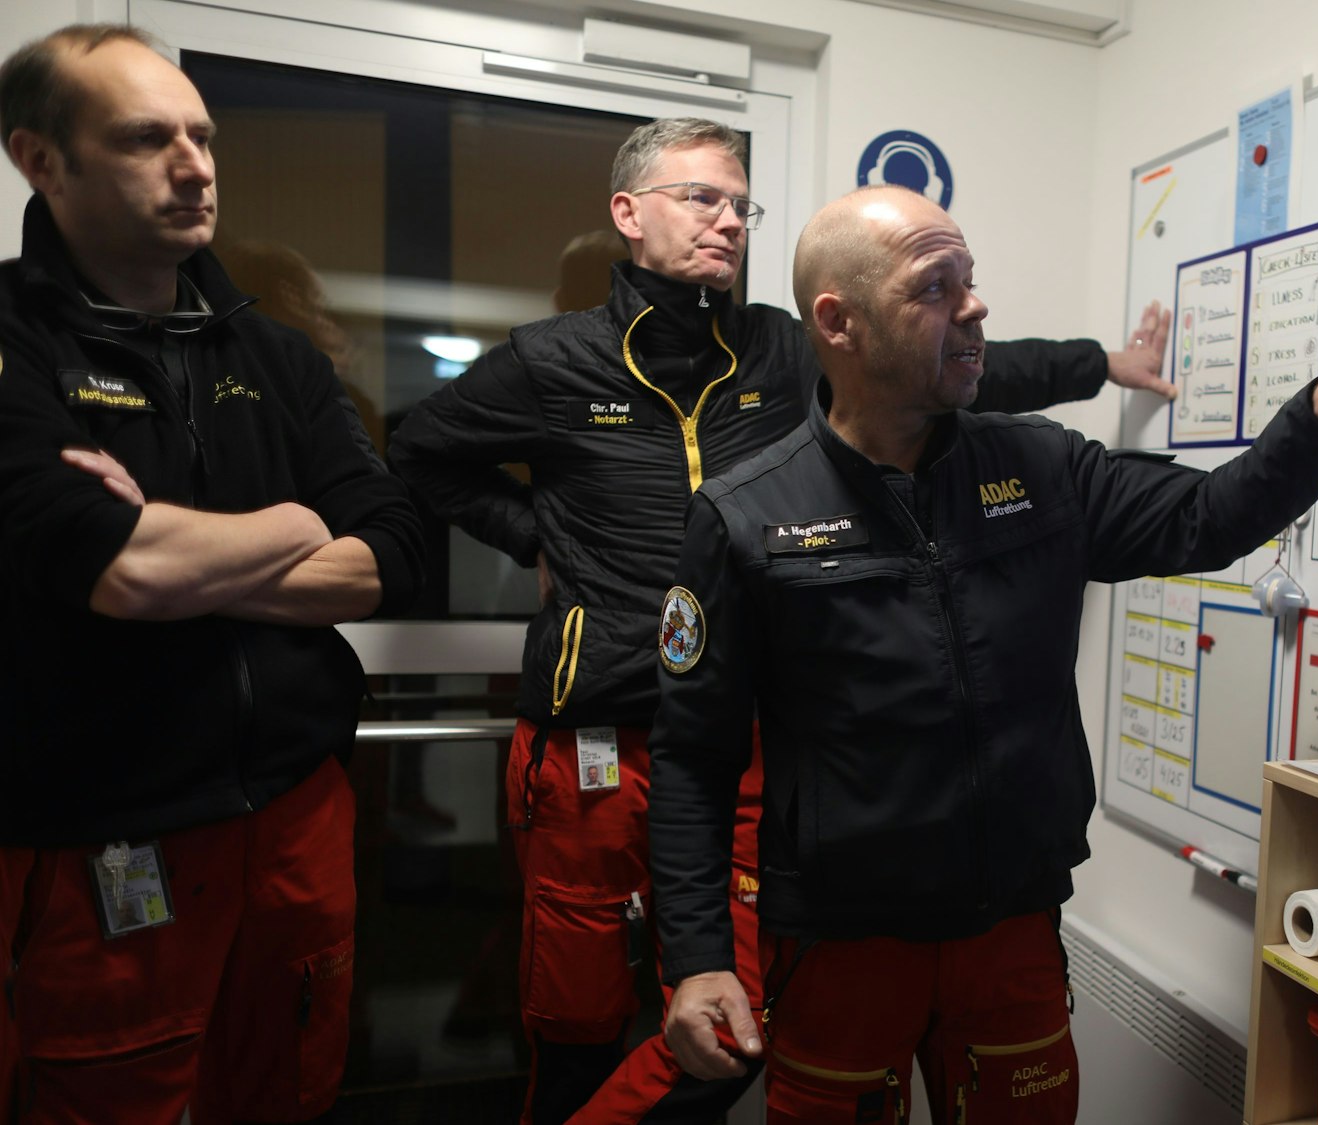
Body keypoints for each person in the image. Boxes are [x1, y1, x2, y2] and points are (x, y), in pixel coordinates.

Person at [387, 116, 1175, 1125]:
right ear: (628, 214)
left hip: (739, 741)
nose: (725, 220)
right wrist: (538, 538)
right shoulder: (553, 362)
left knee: (737, 1014)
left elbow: (951, 357)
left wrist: (1101, 361)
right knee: (574, 1017)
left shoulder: (774, 346)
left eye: (739, 204)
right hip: (594, 730)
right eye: (699, 198)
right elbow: (419, 448)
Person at [648, 184, 1318, 1123]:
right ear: (841, 322)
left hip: (1012, 928)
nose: (975, 306)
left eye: (972, 280)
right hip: (840, 943)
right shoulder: (747, 515)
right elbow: (693, 758)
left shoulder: (1041, 468)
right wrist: (699, 956)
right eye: (937, 286)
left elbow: (1207, 518)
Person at [0, 23, 424, 1125]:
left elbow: (391, 555)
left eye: (203, 134)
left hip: (291, 815)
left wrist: (181, 554)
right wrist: (293, 521)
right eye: (148, 138)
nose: (195, 165)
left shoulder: (273, 358)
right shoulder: (13, 342)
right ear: (41, 159)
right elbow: (116, 570)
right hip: (105, 827)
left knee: (286, 1089)